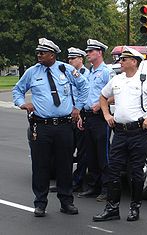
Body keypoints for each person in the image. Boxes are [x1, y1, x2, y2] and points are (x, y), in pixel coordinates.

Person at [12, 38, 89, 217]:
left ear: (52, 55)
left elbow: (84, 86)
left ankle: (66, 201)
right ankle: (40, 203)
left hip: (63, 126)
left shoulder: (66, 69)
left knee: (65, 164)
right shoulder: (32, 72)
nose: (39, 55)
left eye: (42, 53)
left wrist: (77, 107)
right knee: (41, 166)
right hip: (41, 126)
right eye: (38, 52)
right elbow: (17, 90)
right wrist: (22, 103)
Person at [93, 46, 147, 222]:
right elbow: (103, 97)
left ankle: (134, 208)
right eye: (120, 59)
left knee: (136, 172)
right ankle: (112, 208)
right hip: (120, 132)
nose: (120, 62)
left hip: (138, 133)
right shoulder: (117, 80)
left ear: (133, 62)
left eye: (123, 60)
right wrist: (106, 115)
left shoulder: (145, 81)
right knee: (113, 170)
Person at [77, 39, 114, 201]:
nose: (88, 54)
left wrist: (101, 105)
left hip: (100, 118)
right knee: (90, 154)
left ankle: (107, 188)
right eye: (87, 51)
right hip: (87, 116)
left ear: (99, 52)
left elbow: (115, 93)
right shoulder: (89, 72)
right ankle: (93, 186)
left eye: (91, 51)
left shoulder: (106, 71)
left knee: (103, 154)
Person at [67, 47, 90, 192]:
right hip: (69, 116)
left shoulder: (86, 75)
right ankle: (65, 181)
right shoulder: (68, 74)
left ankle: (78, 181)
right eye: (69, 58)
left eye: (73, 58)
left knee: (82, 152)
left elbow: (85, 94)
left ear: (81, 59)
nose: (70, 61)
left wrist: (79, 112)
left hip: (81, 116)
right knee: (65, 150)